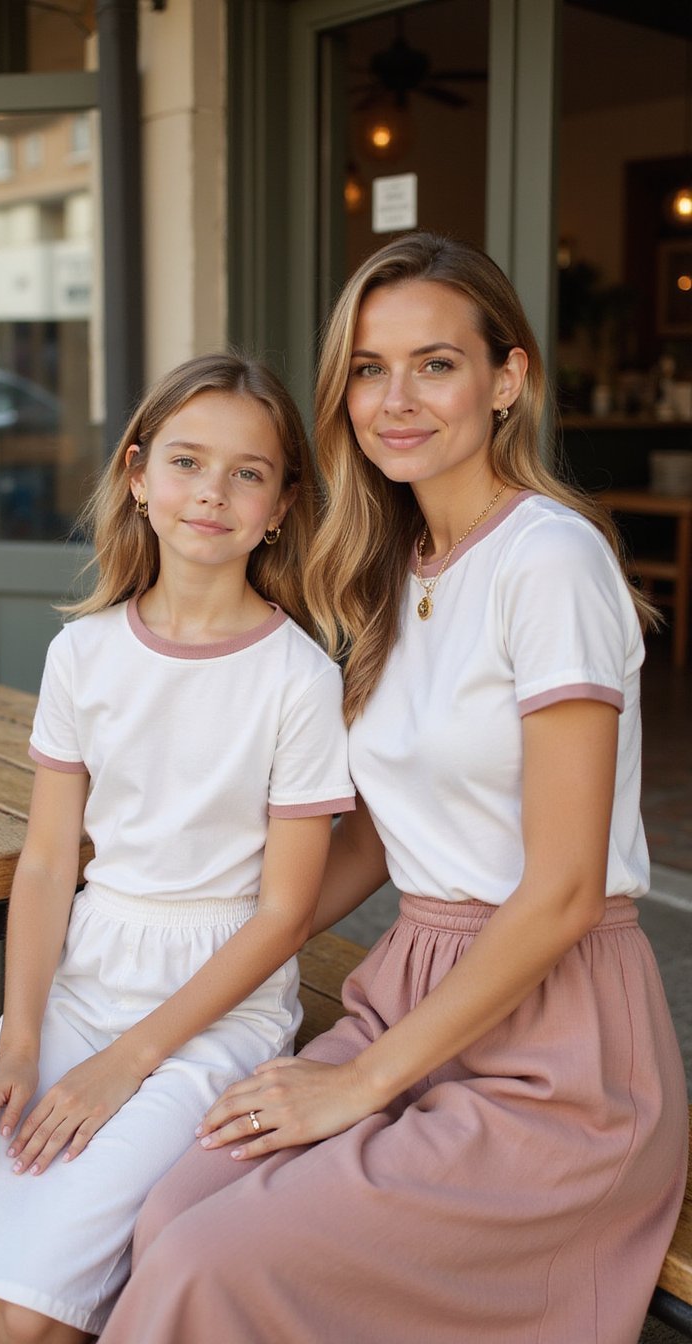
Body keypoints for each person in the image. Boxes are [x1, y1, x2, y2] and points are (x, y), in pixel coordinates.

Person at [98, 234, 688, 1344]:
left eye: (435, 364)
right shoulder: (393, 566)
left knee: (213, 1263)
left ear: (507, 381)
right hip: (412, 991)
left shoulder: (549, 561)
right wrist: (198, 943)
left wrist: (360, 1084)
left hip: (555, 1050)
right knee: (167, 1208)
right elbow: (380, 838)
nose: (395, 399)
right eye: (368, 369)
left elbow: (560, 893)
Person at [0, 353, 354, 1344]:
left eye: (249, 472)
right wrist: (17, 1046)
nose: (212, 491)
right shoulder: (83, 652)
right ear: (137, 474)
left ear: (284, 505)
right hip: (80, 983)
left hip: (214, 1011)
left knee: (32, 1321)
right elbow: (44, 866)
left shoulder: (297, 677)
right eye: (187, 461)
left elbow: (286, 913)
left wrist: (128, 1063)